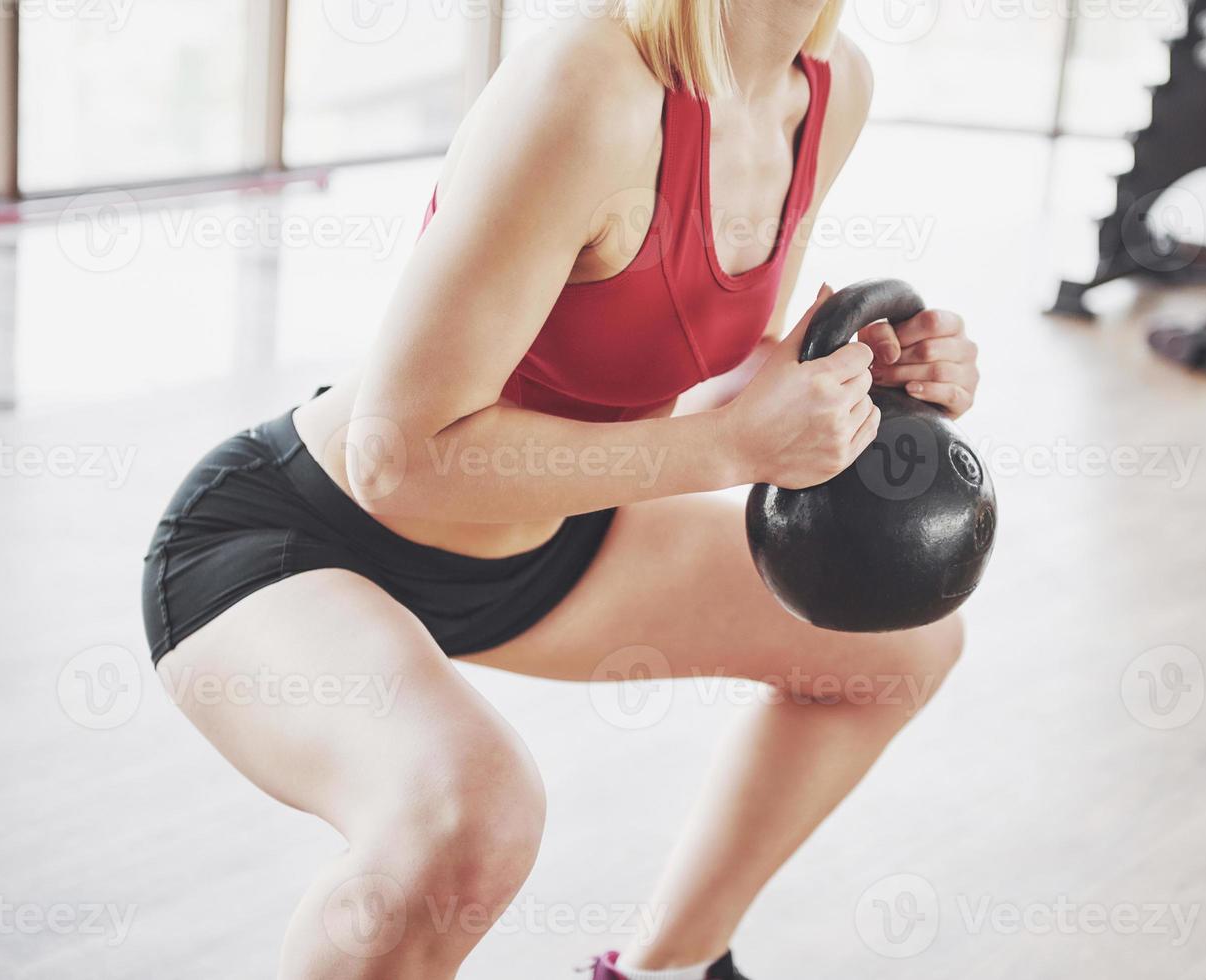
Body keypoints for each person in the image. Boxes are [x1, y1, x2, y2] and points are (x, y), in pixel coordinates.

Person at [141, 1, 981, 977]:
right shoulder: (592, 84)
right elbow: (397, 457)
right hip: (301, 541)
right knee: (471, 815)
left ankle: (665, 969)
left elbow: (680, 357)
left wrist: (850, 381)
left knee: (898, 649)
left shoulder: (826, 93)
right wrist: (731, 446)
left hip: (543, 546)